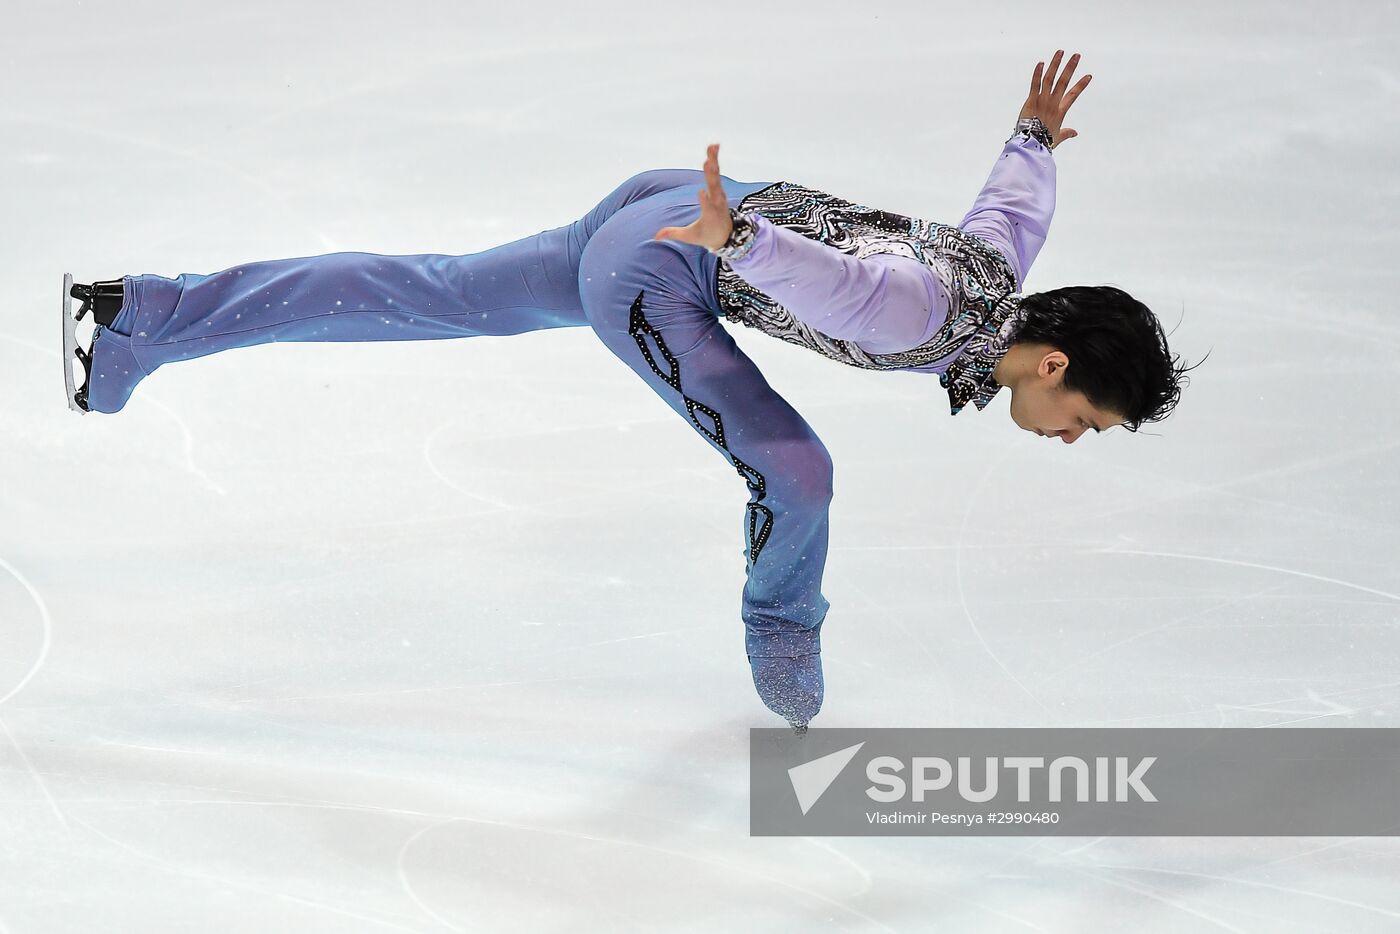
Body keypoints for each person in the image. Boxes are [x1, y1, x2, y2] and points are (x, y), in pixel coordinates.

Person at [63, 50, 1190, 731]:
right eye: (1085, 419)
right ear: (1052, 364)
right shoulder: (930, 316)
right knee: (794, 469)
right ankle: (781, 630)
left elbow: (1010, 209)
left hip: (668, 209)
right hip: (671, 260)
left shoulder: (996, 282)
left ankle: (148, 314)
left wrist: (1033, 134)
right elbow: (841, 286)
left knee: (442, 290)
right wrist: (737, 237)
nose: (1070, 438)